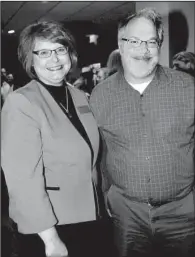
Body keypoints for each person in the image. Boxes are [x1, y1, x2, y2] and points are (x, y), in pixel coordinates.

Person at [90, 8, 195, 257]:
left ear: (160, 44)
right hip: (127, 214)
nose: (143, 50)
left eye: (151, 42)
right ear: (121, 44)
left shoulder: (187, 87)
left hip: (183, 213)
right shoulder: (100, 95)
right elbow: (100, 151)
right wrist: (108, 195)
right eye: (134, 41)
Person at [1, 20, 108, 257]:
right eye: (44, 52)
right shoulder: (21, 102)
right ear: (31, 59)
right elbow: (22, 180)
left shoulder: (79, 96)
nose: (55, 59)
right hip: (49, 226)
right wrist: (50, 239)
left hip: (89, 215)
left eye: (60, 50)